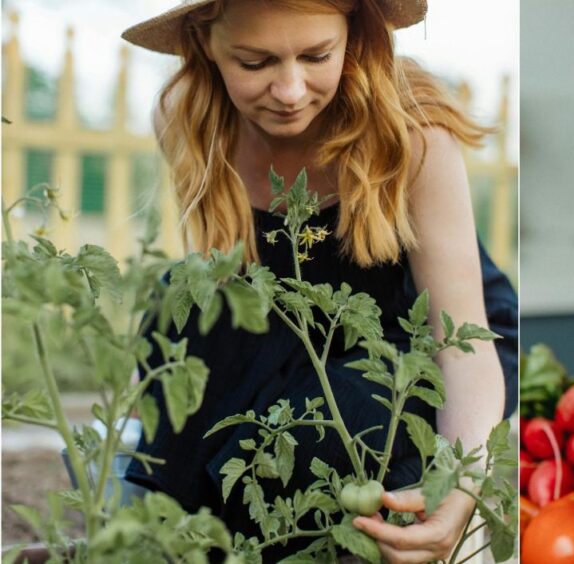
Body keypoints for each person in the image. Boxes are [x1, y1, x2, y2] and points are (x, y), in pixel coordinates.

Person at [119, 0, 518, 560]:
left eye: (316, 55)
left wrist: (459, 487)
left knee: (328, 433)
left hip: (413, 334)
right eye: (255, 63)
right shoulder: (186, 116)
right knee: (173, 315)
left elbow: (462, 345)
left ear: (353, 37)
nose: (289, 90)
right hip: (286, 315)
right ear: (204, 41)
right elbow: (226, 280)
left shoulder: (412, 133)